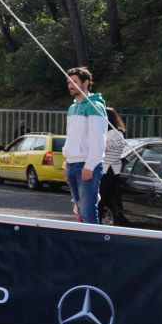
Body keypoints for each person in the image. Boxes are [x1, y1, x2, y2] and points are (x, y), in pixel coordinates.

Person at [63, 66, 107, 225]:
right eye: (68, 82)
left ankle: (94, 248)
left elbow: (98, 140)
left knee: (88, 212)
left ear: (86, 83)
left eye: (74, 81)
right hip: (73, 163)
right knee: (79, 211)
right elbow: (71, 138)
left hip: (88, 166)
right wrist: (67, 162)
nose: (70, 85)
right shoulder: (72, 107)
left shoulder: (95, 106)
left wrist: (90, 165)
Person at [99, 106, 128, 223]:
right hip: (109, 169)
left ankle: (97, 222)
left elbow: (102, 148)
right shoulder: (114, 133)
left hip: (109, 170)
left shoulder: (115, 133)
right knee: (103, 199)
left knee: (101, 199)